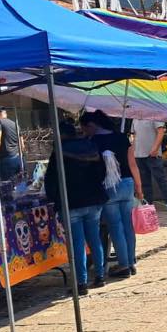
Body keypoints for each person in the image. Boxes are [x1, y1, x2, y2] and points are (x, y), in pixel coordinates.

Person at [45, 121, 107, 295]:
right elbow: (101, 172)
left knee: (77, 244)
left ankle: (81, 283)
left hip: (71, 202)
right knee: (94, 238)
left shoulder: (59, 152)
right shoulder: (90, 146)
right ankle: (100, 276)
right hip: (94, 199)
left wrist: (54, 199)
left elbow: (51, 180)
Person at [80, 110, 143, 279]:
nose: (85, 132)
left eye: (85, 129)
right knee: (128, 226)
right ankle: (131, 262)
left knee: (116, 227)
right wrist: (139, 187)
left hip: (108, 187)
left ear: (92, 125)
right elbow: (133, 164)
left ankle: (123, 265)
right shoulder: (122, 137)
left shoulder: (93, 141)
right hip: (127, 183)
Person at [132, 119, 167, 212]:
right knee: (144, 182)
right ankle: (149, 205)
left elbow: (161, 131)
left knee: (161, 179)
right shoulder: (134, 118)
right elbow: (134, 135)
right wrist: (133, 149)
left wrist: (155, 148)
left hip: (153, 154)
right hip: (138, 154)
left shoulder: (153, 115)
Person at [0, 107, 23, 181]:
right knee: (20, 186)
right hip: (19, 159)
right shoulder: (15, 124)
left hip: (6, 160)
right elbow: (22, 144)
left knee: (7, 187)